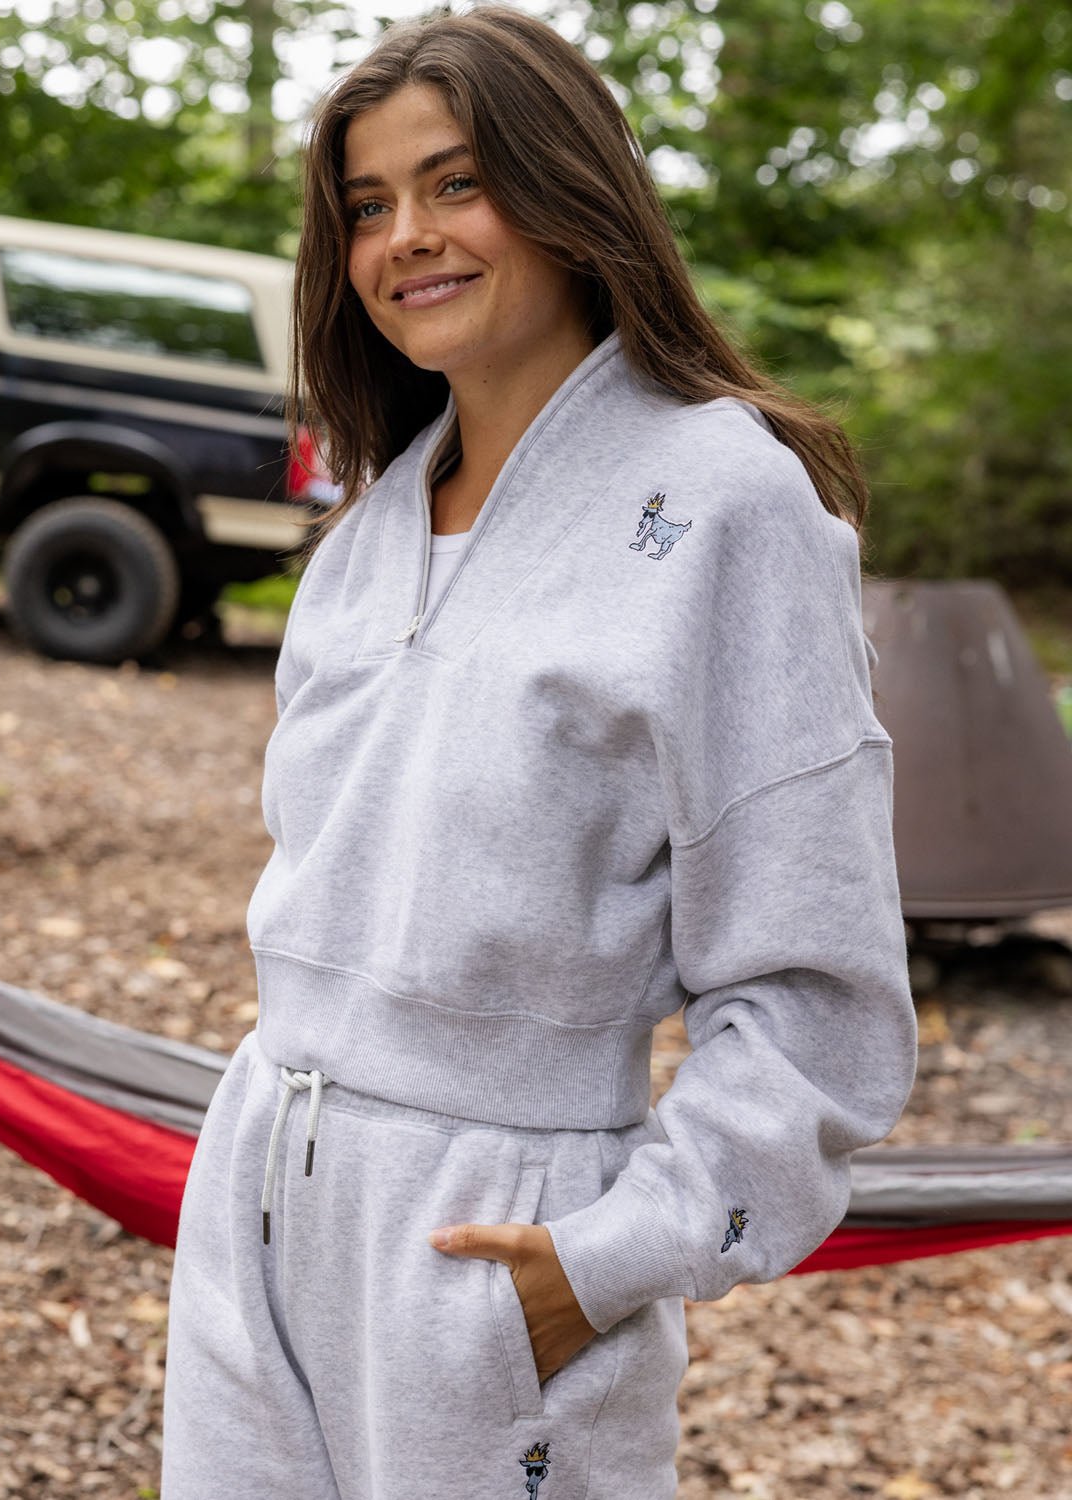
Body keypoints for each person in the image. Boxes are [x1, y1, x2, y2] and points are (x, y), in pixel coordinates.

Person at [161, 7, 918, 1496]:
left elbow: (820, 1001)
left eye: (456, 183)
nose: (405, 238)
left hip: (493, 1238)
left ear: (567, 187)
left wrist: (600, 1261)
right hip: (259, 1187)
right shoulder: (368, 534)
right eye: (367, 205)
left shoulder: (725, 506)